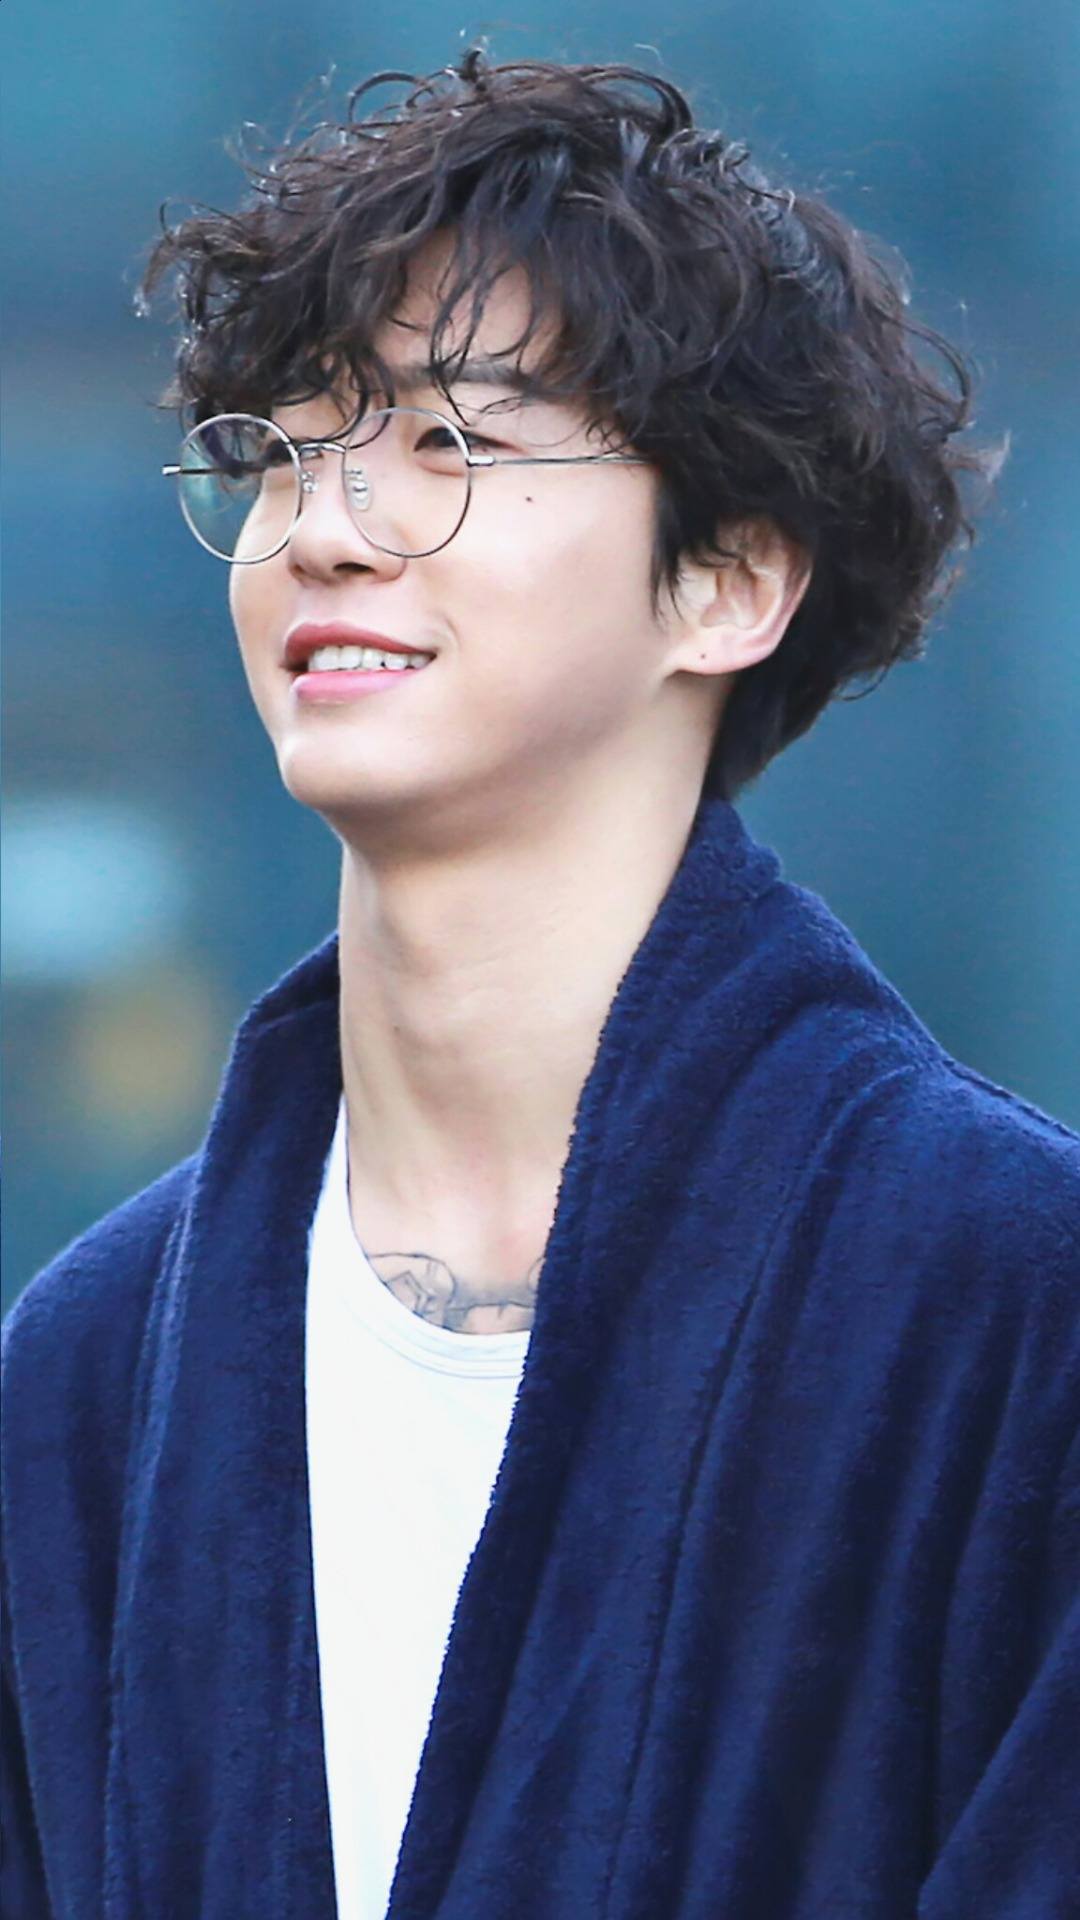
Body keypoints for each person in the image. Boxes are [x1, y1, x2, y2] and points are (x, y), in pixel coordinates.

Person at [2, 46, 1077, 1920]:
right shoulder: (90, 1367)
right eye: (284, 448)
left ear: (728, 580)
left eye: (450, 444)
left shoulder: (1008, 1301)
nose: (324, 526)